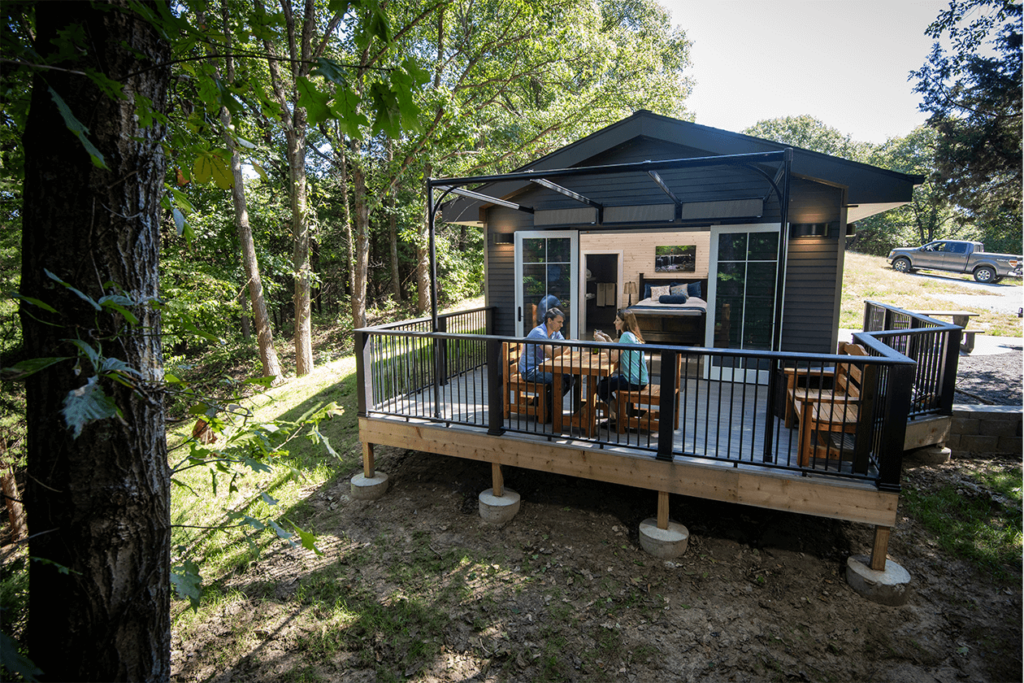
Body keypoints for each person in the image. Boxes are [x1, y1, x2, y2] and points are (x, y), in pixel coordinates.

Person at [594, 310, 648, 422]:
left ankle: (619, 414)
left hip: (633, 381)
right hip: (640, 379)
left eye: (617, 320)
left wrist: (602, 343)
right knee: (605, 384)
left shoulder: (626, 336)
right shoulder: (632, 335)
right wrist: (608, 339)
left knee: (601, 387)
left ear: (625, 322)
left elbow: (614, 357)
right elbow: (616, 352)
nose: (614, 322)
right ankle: (618, 413)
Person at [520, 307, 575, 418]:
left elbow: (566, 349)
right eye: (559, 322)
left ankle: (541, 403)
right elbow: (551, 353)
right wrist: (568, 344)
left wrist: (566, 345)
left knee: (570, 379)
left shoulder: (555, 333)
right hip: (530, 371)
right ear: (550, 320)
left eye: (562, 322)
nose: (561, 325)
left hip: (542, 367)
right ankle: (549, 412)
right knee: (560, 381)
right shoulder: (539, 333)